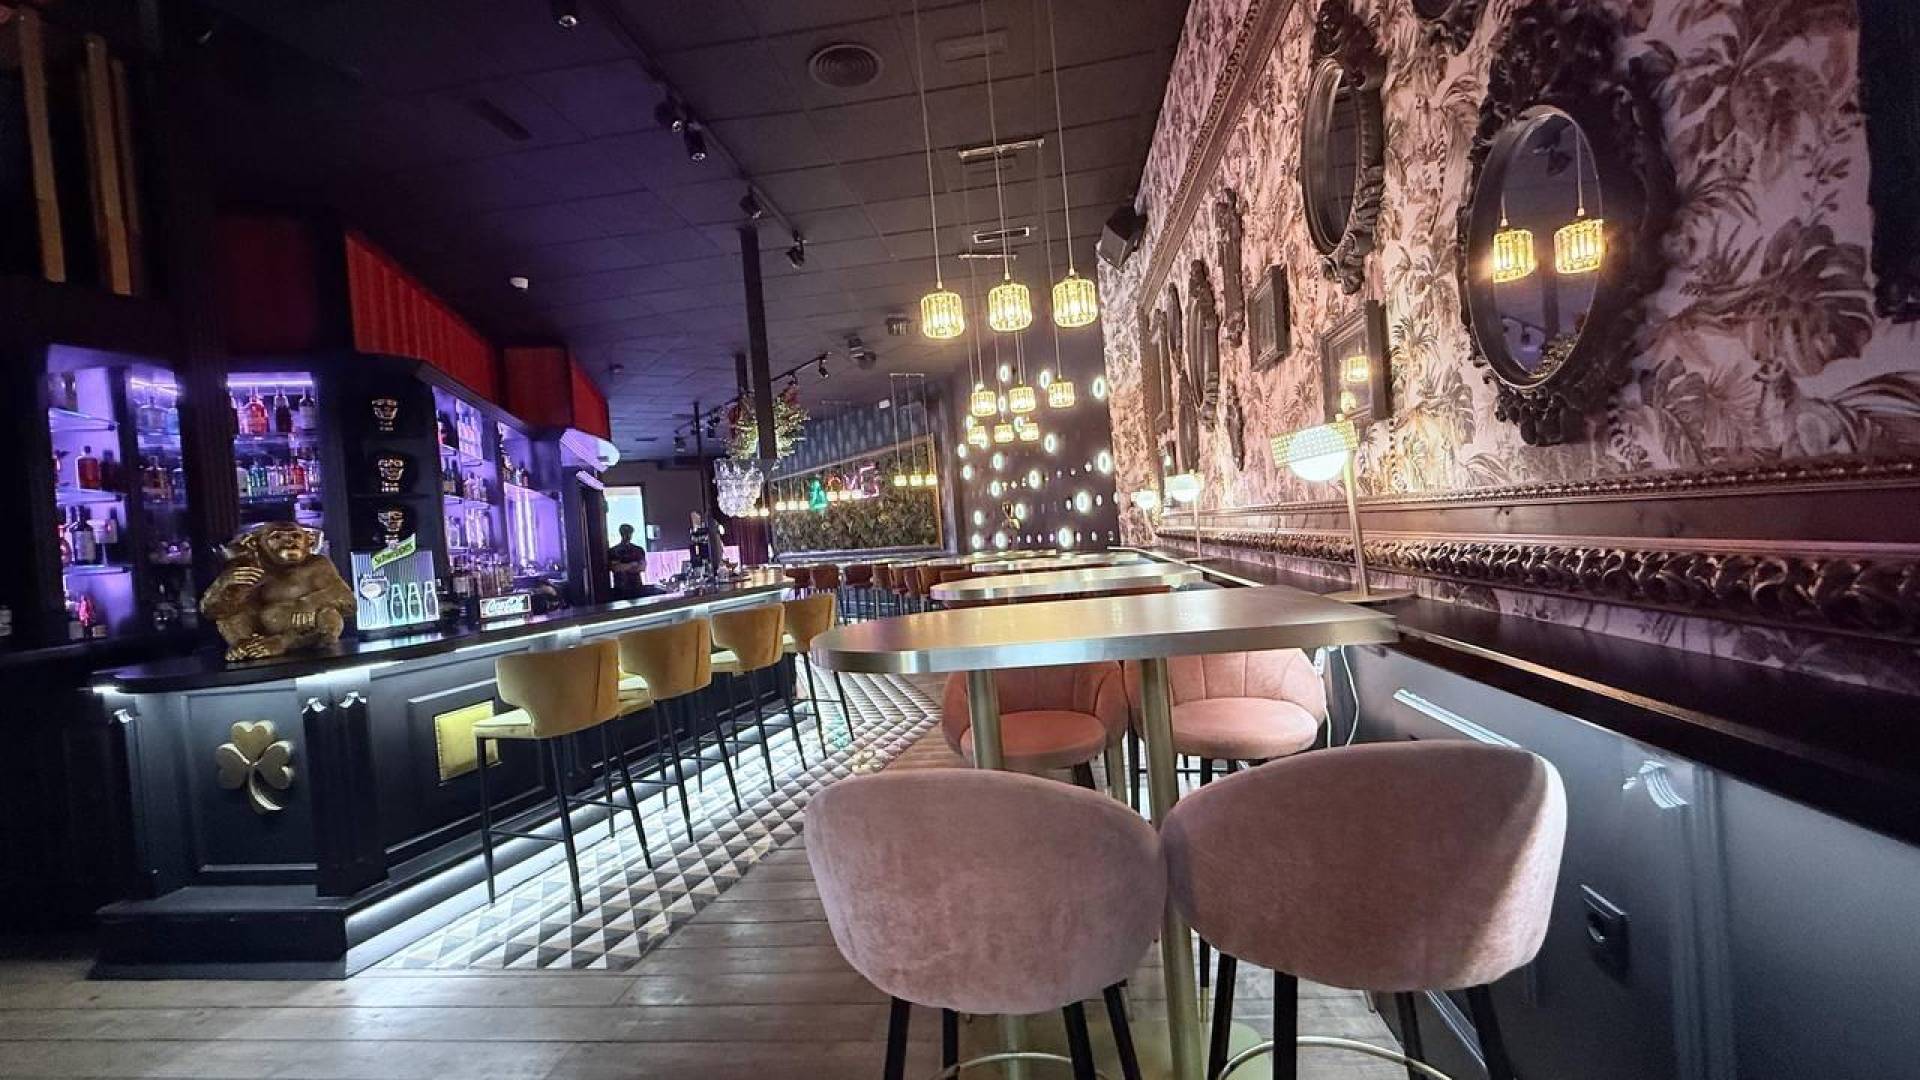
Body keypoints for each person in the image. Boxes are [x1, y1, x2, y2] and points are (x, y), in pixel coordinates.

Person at [608, 523, 647, 598]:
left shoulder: (638, 550)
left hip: (637, 588)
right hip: (620, 589)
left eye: (629, 532)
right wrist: (633, 564)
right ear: (621, 533)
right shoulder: (614, 551)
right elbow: (615, 568)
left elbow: (642, 567)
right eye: (625, 532)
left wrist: (624, 567)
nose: (627, 535)